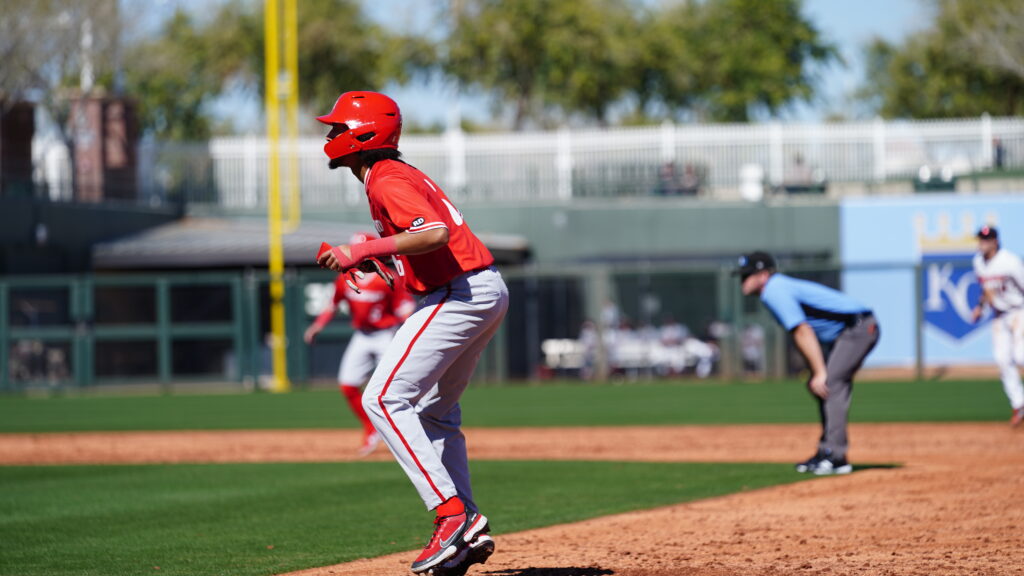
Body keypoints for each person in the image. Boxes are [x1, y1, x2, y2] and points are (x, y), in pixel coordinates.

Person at [315, 91, 508, 576]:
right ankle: (467, 530)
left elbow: (435, 232)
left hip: (459, 293)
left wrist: (362, 250)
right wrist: (388, 258)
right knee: (436, 412)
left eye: (338, 128)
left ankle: (452, 515)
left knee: (382, 399)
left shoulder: (385, 177)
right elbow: (426, 240)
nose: (330, 135)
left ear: (363, 134)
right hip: (479, 290)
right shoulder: (393, 174)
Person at [736, 251, 879, 475]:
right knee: (821, 385)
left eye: (747, 275)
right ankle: (826, 451)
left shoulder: (774, 290)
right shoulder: (775, 289)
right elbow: (801, 334)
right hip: (847, 332)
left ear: (763, 275)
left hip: (859, 327)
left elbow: (802, 330)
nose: (743, 281)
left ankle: (837, 456)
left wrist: (820, 371)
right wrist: (815, 372)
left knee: (830, 383)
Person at [304, 231, 415, 457]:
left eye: (358, 252)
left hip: (386, 335)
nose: (353, 256)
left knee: (399, 387)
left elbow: (406, 310)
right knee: (347, 384)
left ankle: (414, 434)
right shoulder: (345, 278)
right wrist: (318, 326)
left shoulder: (388, 278)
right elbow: (332, 305)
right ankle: (371, 428)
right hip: (362, 336)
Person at [970, 225, 1024, 427]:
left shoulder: (1010, 262)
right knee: (1002, 359)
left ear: (995, 241)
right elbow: (987, 289)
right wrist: (979, 307)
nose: (982, 243)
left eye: (986, 239)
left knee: (1020, 356)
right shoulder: (979, 262)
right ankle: (1019, 405)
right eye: (980, 239)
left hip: (1019, 311)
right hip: (999, 316)